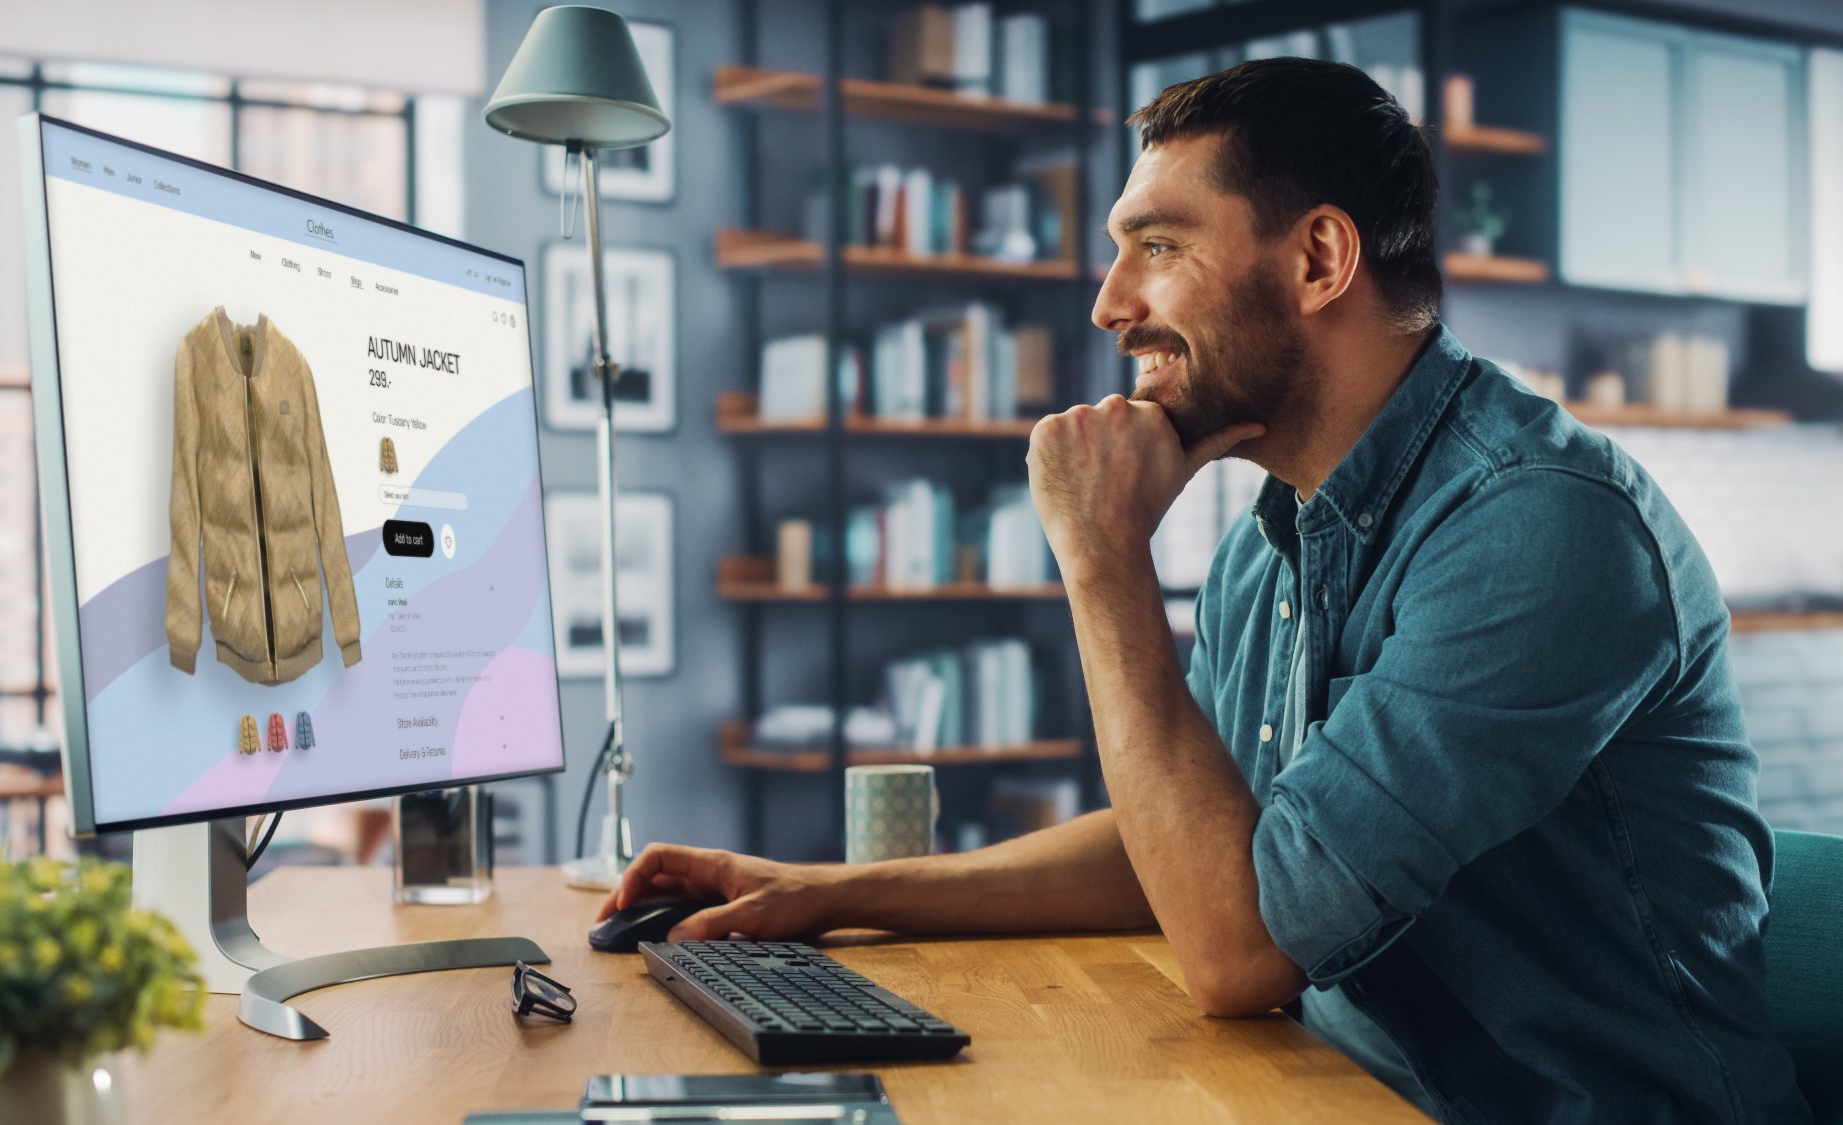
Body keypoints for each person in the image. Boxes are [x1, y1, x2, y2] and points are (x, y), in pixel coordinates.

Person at [599, 57, 1809, 1123]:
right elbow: (1208, 856)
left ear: (1320, 258)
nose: (1108, 304)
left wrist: (1102, 558)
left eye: (1158, 247)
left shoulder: (1534, 528)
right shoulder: (1270, 529)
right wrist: (826, 896)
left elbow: (1238, 945)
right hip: (1334, 1096)